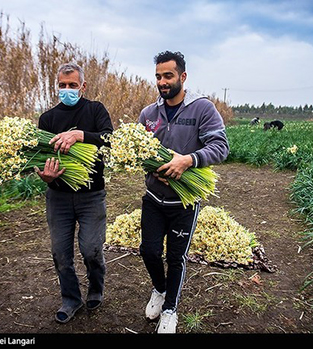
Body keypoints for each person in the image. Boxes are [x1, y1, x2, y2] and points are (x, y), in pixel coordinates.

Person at [138, 51, 229, 333]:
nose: (163, 82)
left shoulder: (202, 109)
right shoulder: (148, 114)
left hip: (184, 202)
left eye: (168, 76)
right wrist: (151, 168)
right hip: (154, 198)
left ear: (182, 77)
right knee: (149, 251)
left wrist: (187, 160)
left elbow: (220, 148)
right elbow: (139, 153)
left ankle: (170, 310)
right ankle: (160, 289)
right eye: (158, 77)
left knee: (175, 257)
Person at [35, 62, 113, 324]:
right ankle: (70, 299)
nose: (66, 89)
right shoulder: (47, 119)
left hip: (91, 195)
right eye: (62, 85)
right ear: (56, 86)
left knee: (91, 249)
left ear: (83, 86)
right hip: (58, 196)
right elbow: (40, 157)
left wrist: (81, 135)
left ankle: (95, 287)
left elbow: (109, 139)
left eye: (72, 85)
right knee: (60, 253)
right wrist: (44, 176)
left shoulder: (95, 110)